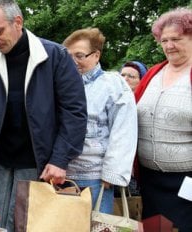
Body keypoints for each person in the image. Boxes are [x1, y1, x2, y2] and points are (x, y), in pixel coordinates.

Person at [0, 0, 88, 230]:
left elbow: (75, 112)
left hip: (38, 161)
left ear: (18, 22)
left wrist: (60, 159)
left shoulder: (55, 56)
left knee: (26, 223)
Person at [62, 27, 138, 214]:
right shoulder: (61, 84)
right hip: (61, 176)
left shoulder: (113, 84)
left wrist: (112, 174)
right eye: (68, 56)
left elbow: (124, 130)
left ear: (96, 55)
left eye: (79, 56)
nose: (73, 62)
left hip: (95, 178)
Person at [134, 7, 192, 231]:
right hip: (151, 180)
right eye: (164, 40)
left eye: (176, 39)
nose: (169, 45)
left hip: (186, 181)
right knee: (154, 229)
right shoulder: (153, 73)